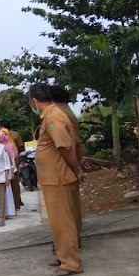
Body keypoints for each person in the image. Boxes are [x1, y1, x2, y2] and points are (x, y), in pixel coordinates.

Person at [30, 84, 84, 276]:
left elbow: (65, 147)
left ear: (34, 101)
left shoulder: (53, 117)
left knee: (62, 221)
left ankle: (71, 263)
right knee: (61, 221)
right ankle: (65, 257)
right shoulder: (53, 115)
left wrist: (77, 169)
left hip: (58, 177)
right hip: (54, 177)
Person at [50, 85, 84, 246]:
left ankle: (70, 243)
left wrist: (77, 167)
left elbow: (70, 144)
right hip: (66, 166)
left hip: (66, 167)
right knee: (70, 208)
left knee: (68, 210)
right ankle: (70, 241)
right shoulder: (64, 112)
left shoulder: (59, 114)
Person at [0, 121, 24, 210]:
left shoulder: (10, 143)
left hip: (13, 163)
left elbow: (20, 147)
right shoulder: (0, 145)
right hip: (5, 166)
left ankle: (16, 202)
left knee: (15, 184)